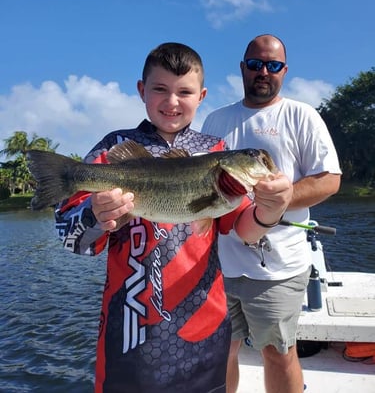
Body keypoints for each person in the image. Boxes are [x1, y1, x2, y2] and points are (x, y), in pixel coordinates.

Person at [54, 42, 293, 393]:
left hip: (204, 328)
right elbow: (69, 235)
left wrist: (270, 211)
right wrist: (94, 213)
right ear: (141, 90)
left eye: (185, 92)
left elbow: (243, 228)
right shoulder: (113, 148)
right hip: (131, 332)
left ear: (202, 95)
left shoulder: (215, 151)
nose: (172, 102)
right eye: (160, 89)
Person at [202, 34, 341, 393]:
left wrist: (280, 199)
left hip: (279, 267)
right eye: (255, 64)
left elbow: (329, 179)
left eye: (273, 65)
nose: (263, 71)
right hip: (219, 264)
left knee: (277, 353)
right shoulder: (216, 120)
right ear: (242, 68)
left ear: (284, 71)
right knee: (220, 352)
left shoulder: (301, 115)